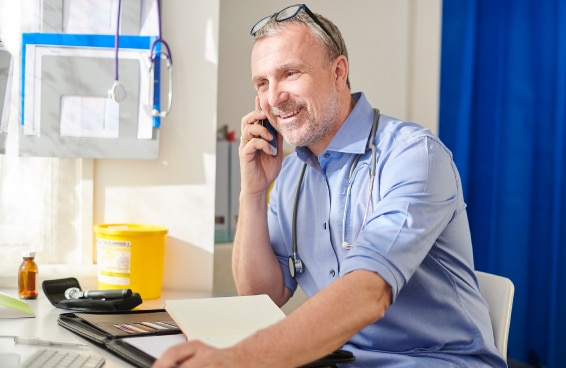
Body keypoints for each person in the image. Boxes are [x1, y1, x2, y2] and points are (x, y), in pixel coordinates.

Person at [154, 4, 507, 368]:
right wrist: (254, 193)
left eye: (290, 73)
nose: (274, 99)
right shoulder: (291, 174)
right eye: (262, 83)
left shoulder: (413, 155)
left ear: (338, 72)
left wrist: (239, 359)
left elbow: (369, 293)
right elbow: (262, 295)